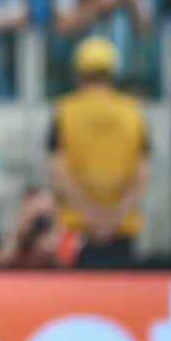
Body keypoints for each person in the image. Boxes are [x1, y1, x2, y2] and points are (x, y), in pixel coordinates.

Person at [48, 36, 150, 268]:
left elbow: (57, 172)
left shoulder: (65, 110)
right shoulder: (132, 111)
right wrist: (114, 216)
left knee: (73, 300)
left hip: (75, 226)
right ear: (113, 73)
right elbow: (142, 173)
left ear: (78, 73)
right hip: (122, 226)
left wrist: (89, 215)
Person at [0, 185, 61, 268]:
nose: (37, 224)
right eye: (31, 214)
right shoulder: (3, 240)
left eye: (42, 217)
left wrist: (53, 252)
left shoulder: (63, 243)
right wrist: (12, 243)